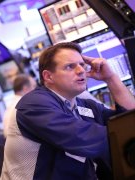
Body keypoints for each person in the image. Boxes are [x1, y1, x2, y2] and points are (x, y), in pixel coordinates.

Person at [14, 42, 135, 179]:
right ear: (48, 76)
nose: (81, 70)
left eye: (82, 64)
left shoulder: (85, 106)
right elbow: (82, 138)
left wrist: (111, 78)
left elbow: (128, 120)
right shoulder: (34, 104)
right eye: (70, 66)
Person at [0, 74, 37, 180]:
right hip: (24, 170)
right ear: (26, 89)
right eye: (34, 86)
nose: (36, 90)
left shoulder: (13, 105)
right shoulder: (23, 106)